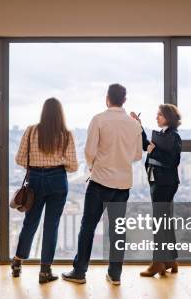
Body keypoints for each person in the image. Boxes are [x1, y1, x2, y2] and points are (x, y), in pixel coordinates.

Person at [62, 83, 143, 286]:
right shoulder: (134, 125)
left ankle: (80, 272)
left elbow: (89, 151)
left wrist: (92, 167)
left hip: (100, 182)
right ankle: (115, 275)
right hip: (123, 184)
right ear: (124, 100)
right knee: (117, 229)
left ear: (107, 98)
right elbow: (137, 155)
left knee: (88, 226)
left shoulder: (98, 119)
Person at [11, 98, 78, 284]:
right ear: (60, 113)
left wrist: (36, 165)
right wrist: (58, 162)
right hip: (58, 180)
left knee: (30, 222)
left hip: (35, 180)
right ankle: (44, 271)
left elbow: (19, 159)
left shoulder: (31, 131)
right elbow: (73, 166)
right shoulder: (66, 134)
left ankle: (17, 262)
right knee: (51, 226)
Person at [130, 104, 182, 277]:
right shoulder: (164, 135)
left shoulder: (173, 136)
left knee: (159, 223)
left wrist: (155, 150)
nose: (157, 117)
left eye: (160, 115)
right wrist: (139, 126)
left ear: (168, 117)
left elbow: (172, 161)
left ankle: (157, 263)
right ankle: (170, 260)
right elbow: (147, 146)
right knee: (164, 221)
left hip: (164, 183)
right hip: (159, 181)